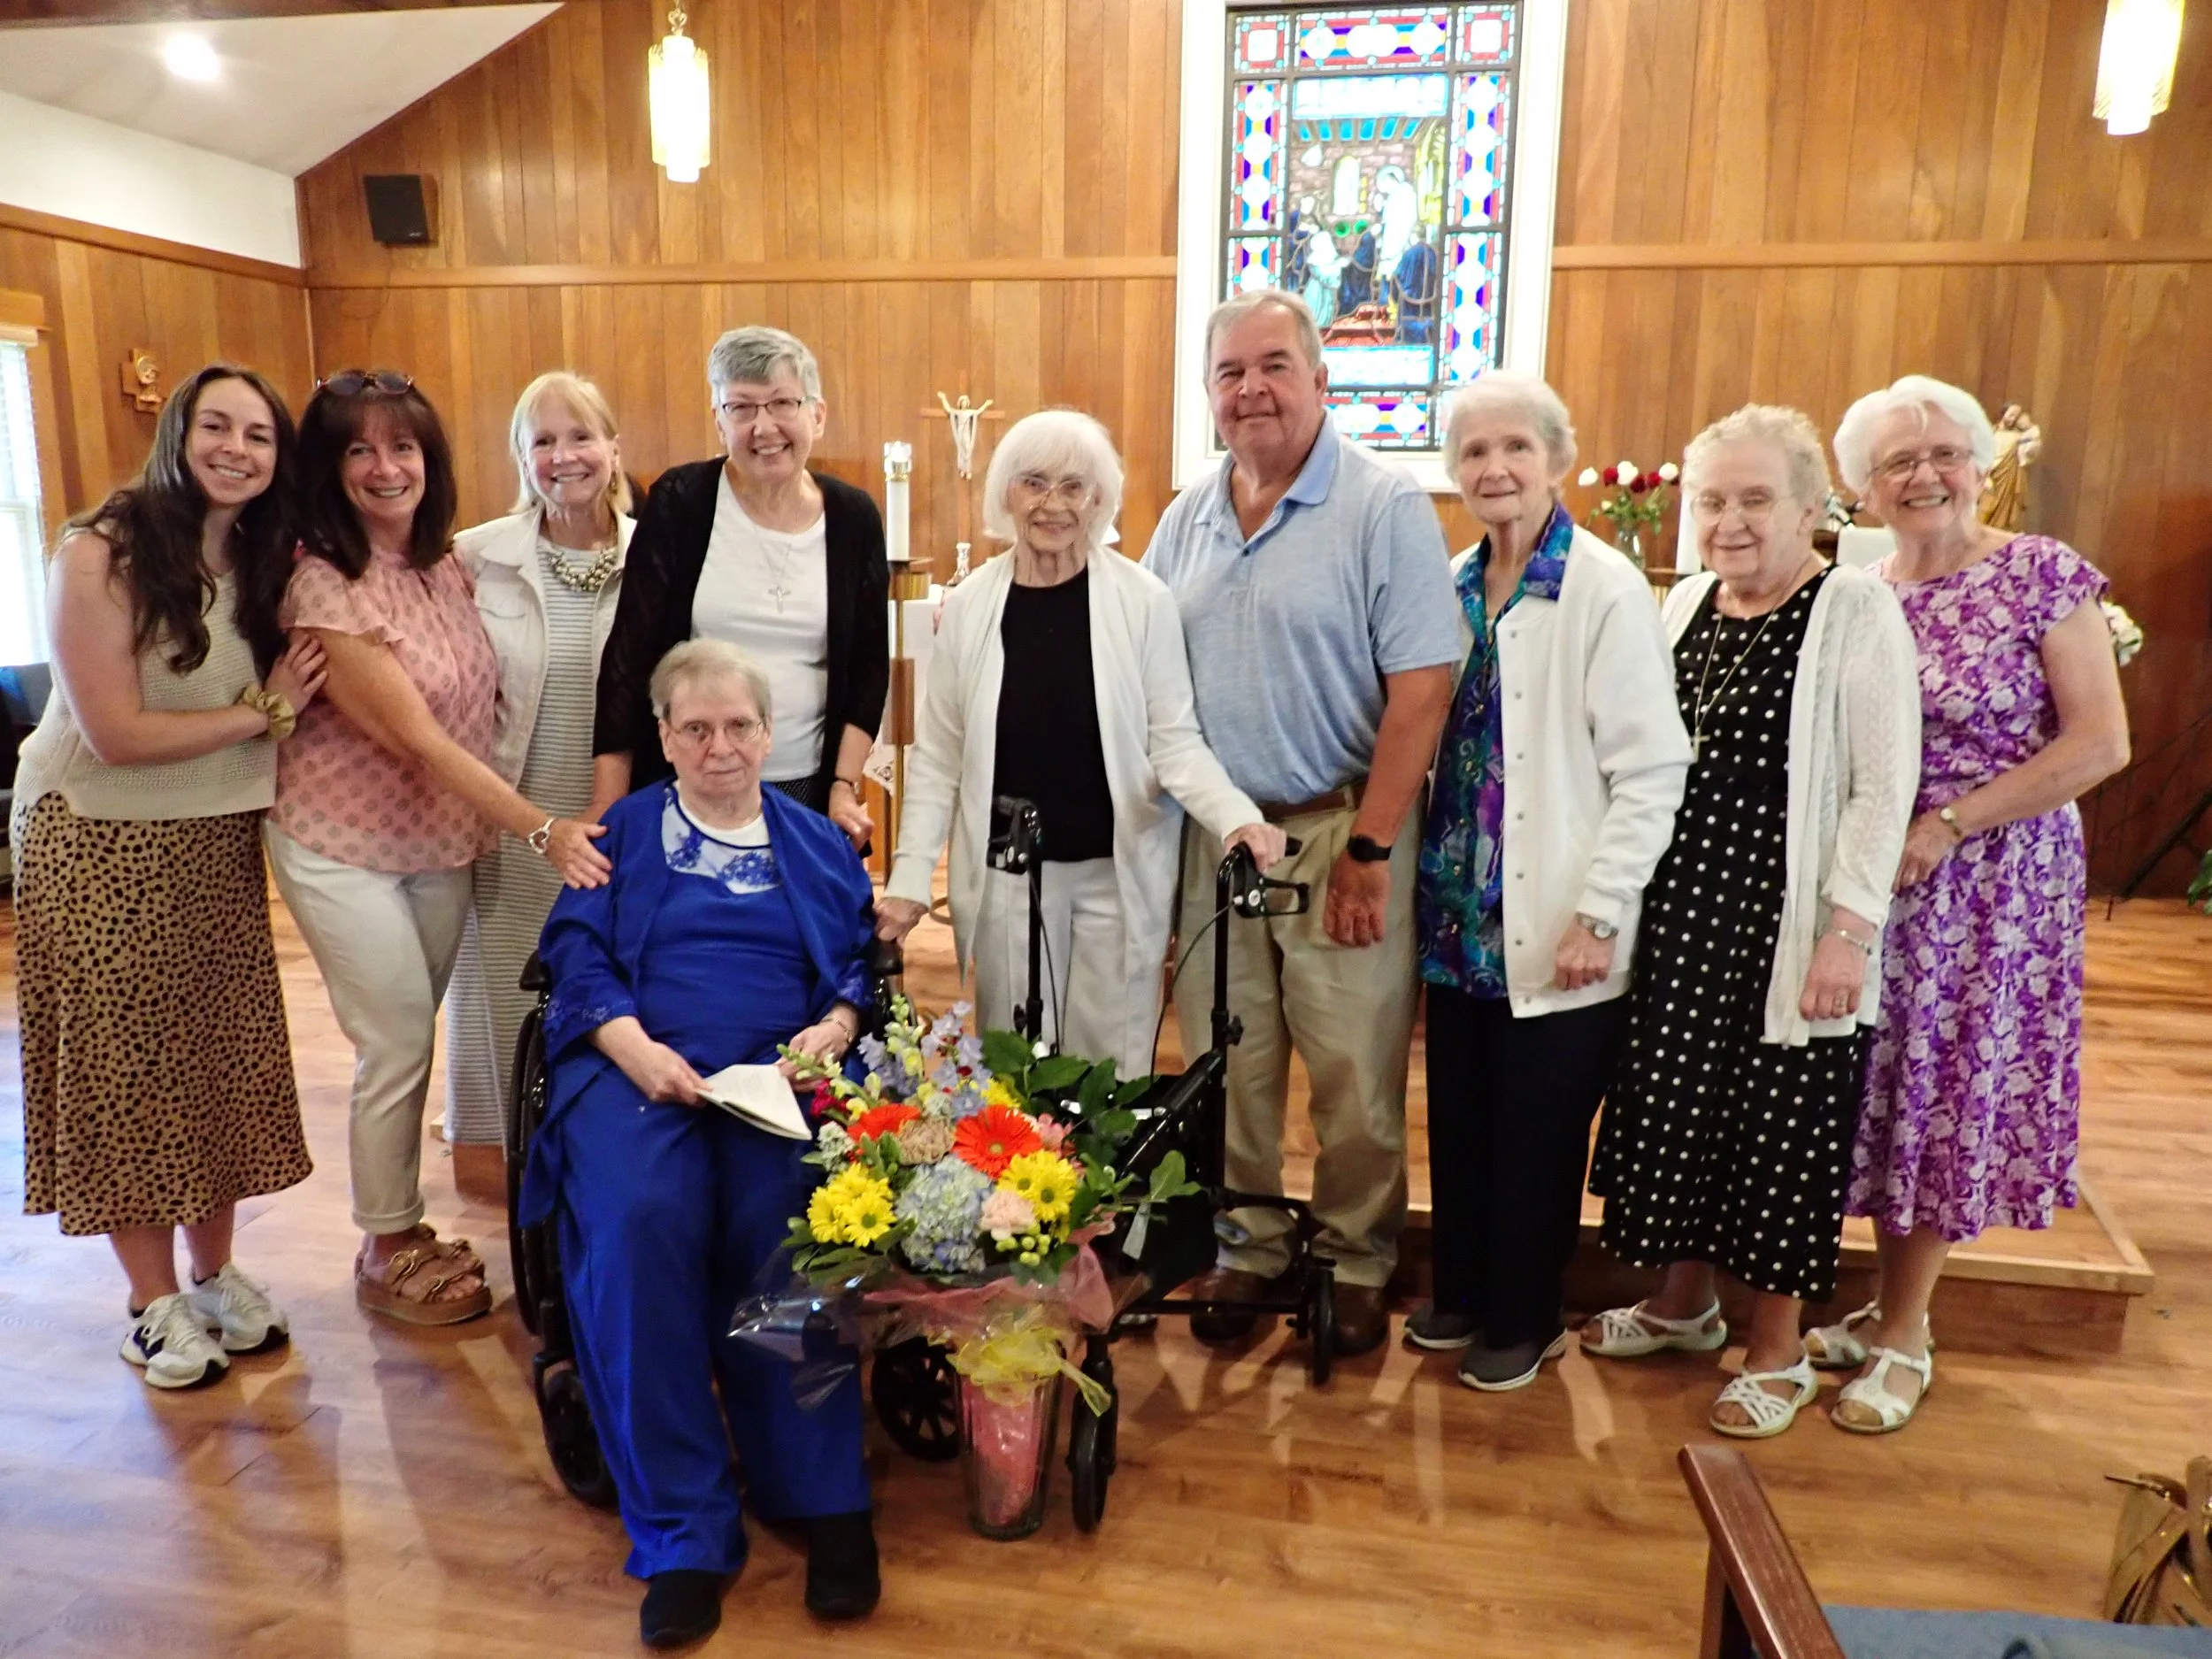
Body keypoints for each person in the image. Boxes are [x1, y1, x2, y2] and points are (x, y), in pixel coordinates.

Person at [520, 640, 879, 1646]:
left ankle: (819, 1493)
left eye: (738, 728)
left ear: (768, 736)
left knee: (792, 1223)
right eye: (695, 729)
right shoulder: (621, 833)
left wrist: (834, 1032)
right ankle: (684, 1529)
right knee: (641, 1220)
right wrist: (632, 1049)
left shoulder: (812, 840)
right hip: (638, 1064)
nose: (719, 747)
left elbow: (856, 962)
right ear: (666, 739)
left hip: (779, 1072)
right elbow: (575, 954)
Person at [1584, 405, 1921, 1439]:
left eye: (1754, 499)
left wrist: (1847, 932)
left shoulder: (1853, 610)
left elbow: (1878, 787)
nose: (1727, 521)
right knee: (1681, 1108)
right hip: (1684, 918)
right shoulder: (1684, 601)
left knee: (1775, 1125)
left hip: (1786, 927)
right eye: (1710, 500)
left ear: (1812, 509)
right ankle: (1684, 1306)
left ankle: (1774, 1347)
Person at [1142, 289, 1459, 1356]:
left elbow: (1422, 684)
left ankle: (1356, 1254)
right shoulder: (1184, 516)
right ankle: (1249, 1246)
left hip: (1339, 828)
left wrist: (1371, 848)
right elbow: (1147, 680)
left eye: (1273, 366)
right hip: (1219, 837)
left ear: (1322, 380)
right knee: (1231, 1059)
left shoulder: (1381, 507)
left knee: (1353, 1069)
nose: (1251, 390)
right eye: (1229, 373)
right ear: (1208, 395)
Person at [1812, 375, 2128, 1433]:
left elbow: (2097, 743)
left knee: (1943, 1094)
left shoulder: (2038, 574)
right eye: (1896, 462)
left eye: (1944, 453)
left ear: (1981, 464)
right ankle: (1878, 1301)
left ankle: (1907, 1331)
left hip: (1991, 884)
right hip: (1873, 882)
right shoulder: (1859, 593)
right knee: (1880, 1092)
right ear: (1859, 488)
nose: (1924, 476)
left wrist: (1949, 826)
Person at [264, 370, 610, 1327]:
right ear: (329, 470)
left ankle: (404, 1228)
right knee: (395, 1040)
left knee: (412, 1034)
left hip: (439, 842)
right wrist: (541, 825)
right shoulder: (322, 582)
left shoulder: (447, 564)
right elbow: (418, 734)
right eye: (359, 450)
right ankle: (384, 1238)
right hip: (340, 844)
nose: (386, 468)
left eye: (403, 446)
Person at [13, 364, 319, 1389]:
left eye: (259, 435)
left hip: (213, 840)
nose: (237, 448)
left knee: (218, 1061)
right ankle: (149, 1305)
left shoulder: (263, 555)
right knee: (131, 1071)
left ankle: (215, 1272)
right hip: (100, 840)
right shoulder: (100, 549)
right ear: (178, 434)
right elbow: (112, 732)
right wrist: (265, 712)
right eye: (216, 426)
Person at [1403, 374, 1689, 1392]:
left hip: (1560, 910)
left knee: (1538, 1126)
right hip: (1456, 909)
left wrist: (1601, 909)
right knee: (1466, 1111)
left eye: (1515, 447)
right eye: (1473, 453)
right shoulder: (1448, 581)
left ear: (1557, 459)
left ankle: (1526, 1315)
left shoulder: (1602, 587)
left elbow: (1651, 768)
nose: (1494, 469)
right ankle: (1467, 1290)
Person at [874, 409, 1284, 1071]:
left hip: (1113, 872)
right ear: (1005, 493)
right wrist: (912, 874)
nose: (1053, 504)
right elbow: (940, 757)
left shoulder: (1142, 601)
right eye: (1034, 483)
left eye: (1075, 487)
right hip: (1010, 876)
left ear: (1100, 500)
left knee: (1111, 1073)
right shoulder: (973, 606)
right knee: (1013, 1068)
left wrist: (1234, 815)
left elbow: (1174, 741)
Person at [594, 326, 887, 845]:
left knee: (798, 925)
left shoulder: (852, 516)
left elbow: (868, 669)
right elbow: (628, 658)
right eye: (741, 408)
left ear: (817, 414)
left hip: (807, 785)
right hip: (691, 783)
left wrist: (844, 784)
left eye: (782, 403)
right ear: (718, 420)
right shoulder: (681, 502)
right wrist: (611, 802)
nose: (763, 426)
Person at [442, 372, 635, 1156]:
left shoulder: (658, 552)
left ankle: (601, 1155)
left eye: (581, 435)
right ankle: (514, 1163)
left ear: (615, 449)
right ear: (521, 456)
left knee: (609, 993)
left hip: (615, 818)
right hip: (510, 816)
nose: (564, 455)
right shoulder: (474, 558)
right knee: (505, 1000)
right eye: (543, 440)